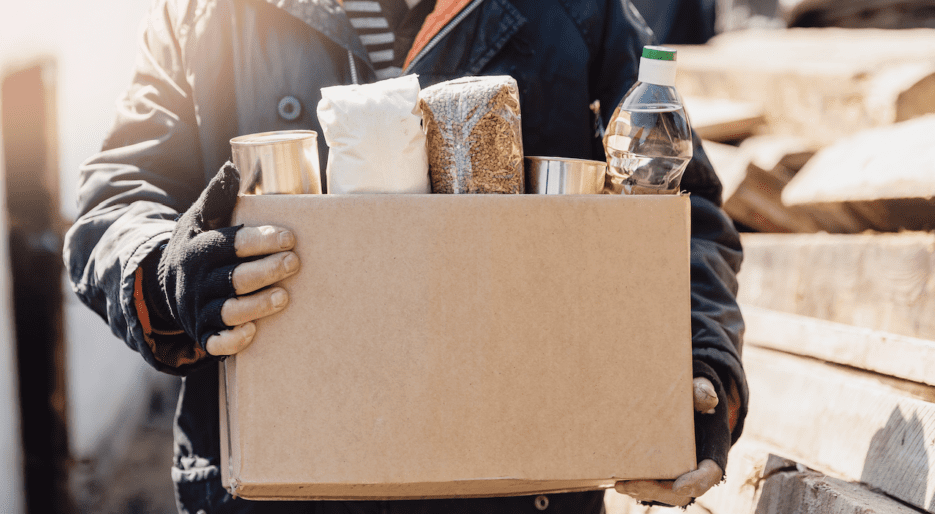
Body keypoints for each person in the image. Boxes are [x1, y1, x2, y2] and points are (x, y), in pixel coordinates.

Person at [63, 0, 749, 512]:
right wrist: (164, 270)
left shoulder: (577, 9)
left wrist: (698, 372)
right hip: (276, 484)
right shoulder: (208, 14)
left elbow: (683, 210)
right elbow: (116, 199)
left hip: (517, 485)